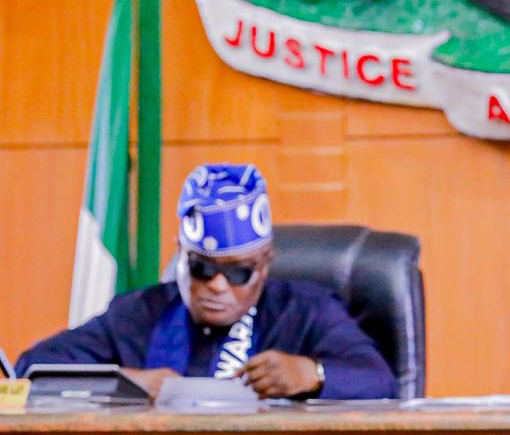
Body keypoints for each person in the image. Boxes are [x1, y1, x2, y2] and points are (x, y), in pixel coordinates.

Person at [17, 163, 397, 401]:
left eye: (238, 272)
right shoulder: (139, 313)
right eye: (201, 268)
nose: (217, 285)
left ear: (265, 265)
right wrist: (129, 383)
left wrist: (313, 374)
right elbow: (32, 368)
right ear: (180, 256)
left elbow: (381, 381)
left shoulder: (307, 311)